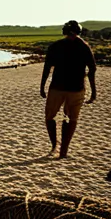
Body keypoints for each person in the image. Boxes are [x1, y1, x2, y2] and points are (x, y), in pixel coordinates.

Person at [40, 20, 96, 158]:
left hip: (63, 88)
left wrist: (42, 86)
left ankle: (59, 148)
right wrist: (93, 91)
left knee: (62, 118)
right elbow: (92, 70)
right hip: (70, 88)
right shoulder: (83, 46)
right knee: (63, 118)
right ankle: (59, 148)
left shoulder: (57, 46)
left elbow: (47, 68)